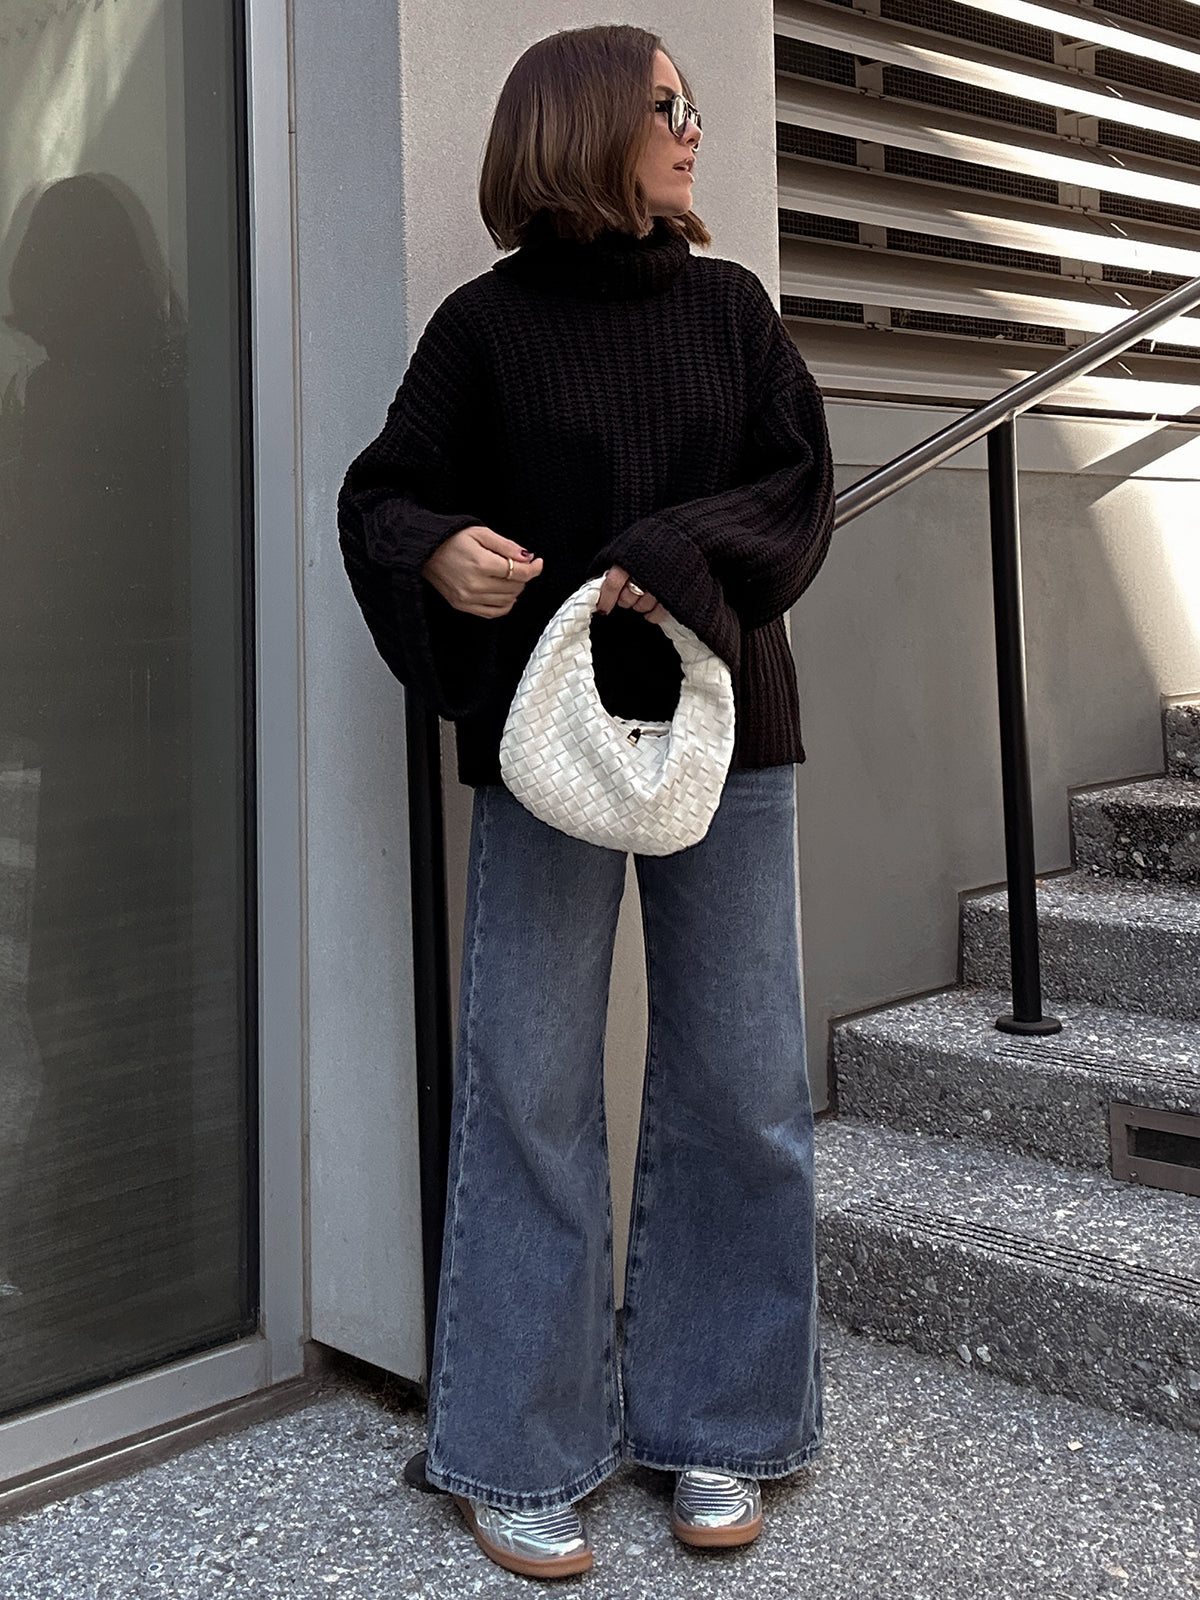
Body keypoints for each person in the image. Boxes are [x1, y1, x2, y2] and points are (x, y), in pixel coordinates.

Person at [338, 24, 834, 1580]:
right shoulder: (484, 331)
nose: (698, 130)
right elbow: (380, 490)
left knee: (740, 1081)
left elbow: (799, 490)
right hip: (550, 748)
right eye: (670, 108)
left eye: (694, 106)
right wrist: (432, 549)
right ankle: (521, 1446)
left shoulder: (732, 308)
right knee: (530, 1086)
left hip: (725, 744)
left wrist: (678, 555)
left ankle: (721, 1429)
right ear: (585, 131)